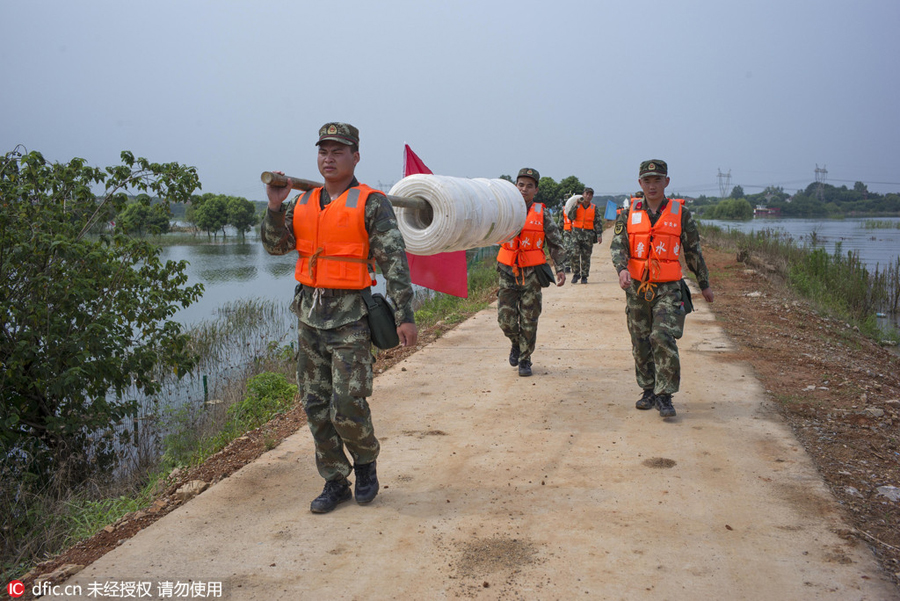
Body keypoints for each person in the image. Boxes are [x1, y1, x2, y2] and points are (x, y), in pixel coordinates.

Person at [262, 122, 418, 513]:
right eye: (323, 151)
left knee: (347, 403)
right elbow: (276, 247)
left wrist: (405, 315)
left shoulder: (371, 202)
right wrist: (275, 206)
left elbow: (393, 261)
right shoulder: (302, 201)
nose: (328, 158)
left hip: (351, 317)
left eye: (338, 151)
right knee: (314, 405)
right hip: (309, 316)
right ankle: (334, 479)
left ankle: (365, 465)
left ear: (355, 156)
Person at [610, 160, 714, 418]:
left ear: (667, 182)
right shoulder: (628, 212)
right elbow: (618, 245)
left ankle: (665, 395)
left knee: (662, 336)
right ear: (640, 183)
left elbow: (693, 251)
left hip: (668, 288)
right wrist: (622, 269)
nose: (652, 185)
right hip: (637, 288)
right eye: (647, 180)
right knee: (641, 340)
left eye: (657, 180)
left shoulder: (681, 213)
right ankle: (648, 390)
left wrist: (704, 284)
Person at [496, 167, 566, 377]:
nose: (524, 189)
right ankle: (516, 343)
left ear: (535, 190)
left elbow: (555, 241)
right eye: (520, 185)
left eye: (529, 186)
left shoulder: (542, 213)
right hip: (507, 270)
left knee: (529, 318)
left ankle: (525, 359)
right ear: (515, 186)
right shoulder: (504, 209)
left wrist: (560, 267)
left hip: (533, 273)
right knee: (505, 319)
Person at [566, 187, 604, 284]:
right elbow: (570, 217)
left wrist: (599, 234)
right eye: (586, 194)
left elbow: (598, 222)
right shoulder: (577, 205)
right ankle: (576, 273)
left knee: (586, 257)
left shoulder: (594, 208)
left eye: (590, 194)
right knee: (574, 254)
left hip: (588, 235)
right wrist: (576, 205)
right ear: (583, 194)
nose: (588, 196)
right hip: (576, 234)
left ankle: (584, 276)